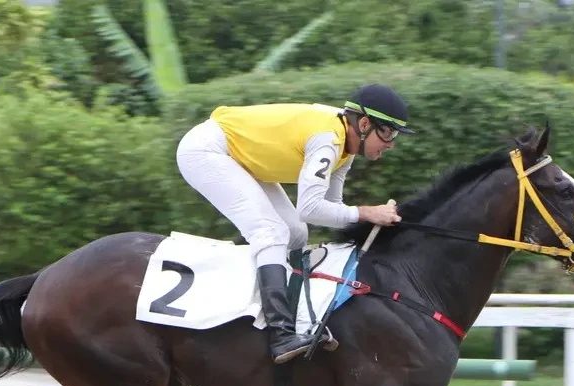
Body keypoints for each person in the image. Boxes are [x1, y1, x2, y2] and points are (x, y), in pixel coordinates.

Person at [175, 84, 413, 364]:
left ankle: (288, 319)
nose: (391, 143)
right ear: (363, 123)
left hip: (241, 156)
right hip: (207, 151)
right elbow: (310, 208)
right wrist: (366, 213)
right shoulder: (329, 140)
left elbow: (331, 210)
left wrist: (379, 221)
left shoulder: (345, 149)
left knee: (296, 233)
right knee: (270, 232)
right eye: (387, 132)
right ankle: (280, 335)